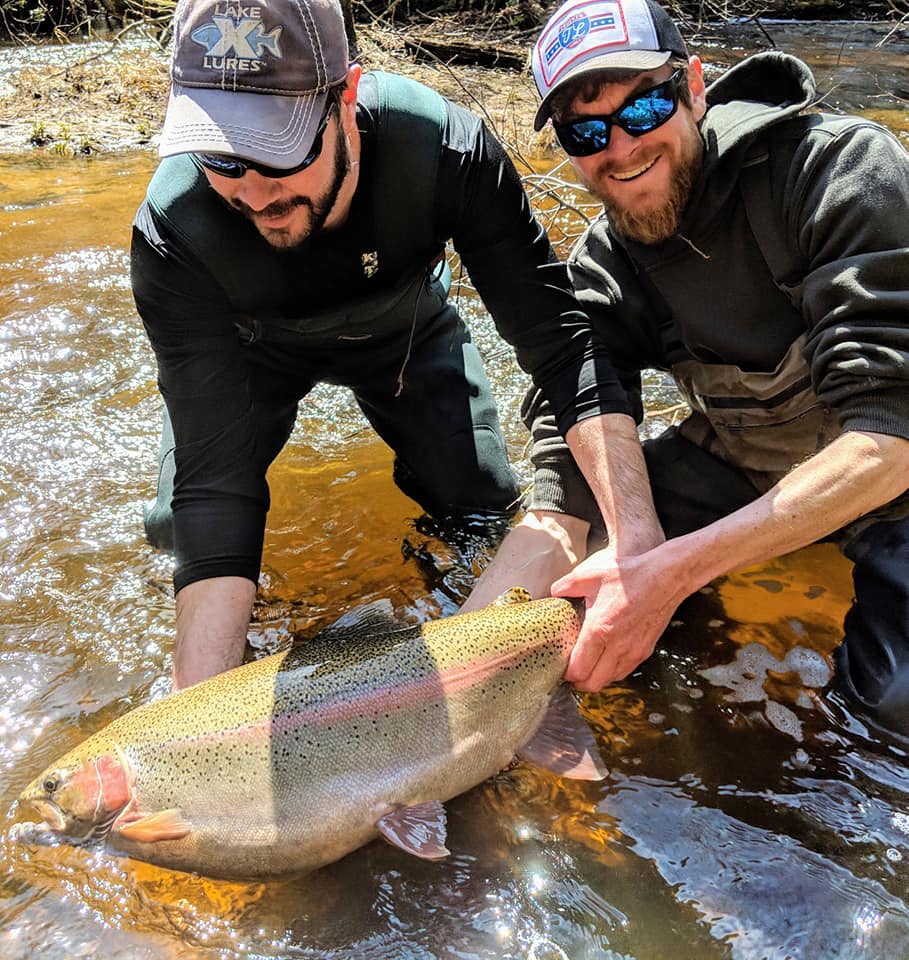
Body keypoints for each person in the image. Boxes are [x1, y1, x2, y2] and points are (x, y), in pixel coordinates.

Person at [131, 0, 636, 689]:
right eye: (221, 152)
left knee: (481, 501)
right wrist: (200, 722)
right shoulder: (173, 230)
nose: (250, 190)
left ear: (346, 95)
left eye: (278, 147)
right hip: (253, 356)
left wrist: (636, 548)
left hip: (401, 333)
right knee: (177, 527)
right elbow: (216, 483)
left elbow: (559, 348)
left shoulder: (444, 150)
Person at [464, 0, 909, 735]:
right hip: (746, 464)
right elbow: (568, 429)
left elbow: (892, 434)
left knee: (889, 711)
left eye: (643, 108)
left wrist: (668, 573)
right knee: (573, 603)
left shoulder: (840, 172)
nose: (620, 147)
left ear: (694, 86)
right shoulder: (605, 265)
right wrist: (471, 661)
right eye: (585, 131)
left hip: (895, 481)